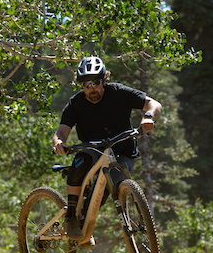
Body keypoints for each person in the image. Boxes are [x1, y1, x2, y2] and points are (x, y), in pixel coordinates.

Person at [52, 56, 162, 239]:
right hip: (92, 150)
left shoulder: (119, 92)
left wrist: (148, 116)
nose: (92, 88)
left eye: (96, 82)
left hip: (123, 149)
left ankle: (84, 225)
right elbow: (61, 132)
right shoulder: (76, 103)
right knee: (79, 162)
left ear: (104, 80)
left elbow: (153, 104)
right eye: (87, 84)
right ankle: (71, 216)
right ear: (81, 85)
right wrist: (58, 143)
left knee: (109, 186)